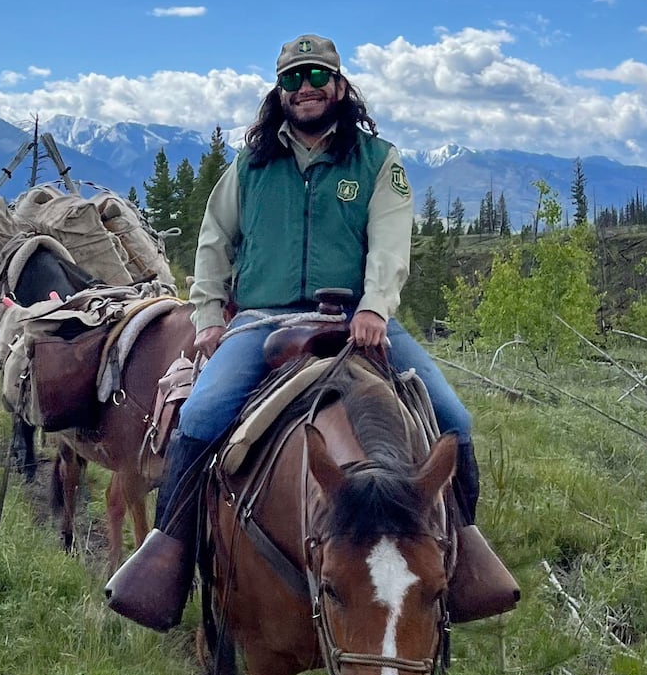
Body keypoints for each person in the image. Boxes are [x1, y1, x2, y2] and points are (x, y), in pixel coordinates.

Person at [106, 33, 516, 630]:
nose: (305, 89)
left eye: (316, 76)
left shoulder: (378, 162)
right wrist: (210, 317)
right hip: (263, 318)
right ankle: (173, 557)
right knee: (200, 416)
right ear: (280, 91)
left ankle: (461, 562)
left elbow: (390, 242)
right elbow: (214, 243)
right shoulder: (250, 166)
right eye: (293, 79)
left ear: (340, 86)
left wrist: (376, 307)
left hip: (357, 319)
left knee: (454, 417)